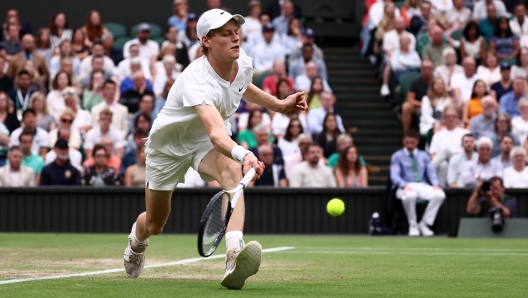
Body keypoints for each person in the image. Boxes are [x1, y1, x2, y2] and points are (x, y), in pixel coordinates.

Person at [122, 10, 307, 288]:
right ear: (206, 41)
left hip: (206, 143)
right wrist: (245, 153)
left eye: (236, 32)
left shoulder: (241, 62)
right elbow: (216, 133)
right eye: (226, 34)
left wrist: (280, 105)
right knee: (156, 224)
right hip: (170, 148)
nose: (235, 38)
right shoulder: (195, 80)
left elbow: (243, 86)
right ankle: (137, 242)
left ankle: (233, 255)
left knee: (233, 173)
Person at [390, 130, 446, 236]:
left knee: (440, 195)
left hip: (422, 185)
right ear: (403, 141)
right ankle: (413, 225)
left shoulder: (424, 155)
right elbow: (394, 175)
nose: (410, 145)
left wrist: (436, 184)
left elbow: (431, 172)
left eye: (412, 142)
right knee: (410, 196)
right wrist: (403, 185)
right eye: (407, 142)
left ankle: (425, 223)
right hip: (405, 186)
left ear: (417, 142)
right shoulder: (397, 156)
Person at [429, 107, 470, 187]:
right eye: (448, 116)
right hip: (443, 161)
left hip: (460, 159)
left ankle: (428, 170)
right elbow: (433, 154)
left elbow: (470, 149)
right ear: (443, 118)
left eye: (453, 116)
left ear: (457, 118)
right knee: (443, 165)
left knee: (445, 151)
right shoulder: (438, 135)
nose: (451, 118)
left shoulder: (465, 133)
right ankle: (442, 189)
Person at [401, 60, 434, 131]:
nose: (427, 71)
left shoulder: (437, 81)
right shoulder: (415, 82)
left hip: (434, 106)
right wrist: (424, 105)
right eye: (425, 68)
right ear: (421, 69)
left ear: (433, 69)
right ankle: (406, 133)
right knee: (406, 106)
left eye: (429, 68)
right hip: (419, 107)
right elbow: (410, 99)